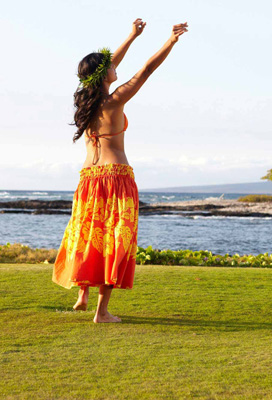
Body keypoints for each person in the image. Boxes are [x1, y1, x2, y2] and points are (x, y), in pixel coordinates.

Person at [53, 19, 188, 323]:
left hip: (88, 178)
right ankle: (102, 312)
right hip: (115, 177)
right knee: (114, 241)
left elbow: (109, 65)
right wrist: (170, 41)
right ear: (104, 75)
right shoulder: (113, 102)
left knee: (88, 234)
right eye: (112, 68)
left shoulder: (85, 104)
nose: (118, 69)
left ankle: (82, 294)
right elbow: (146, 71)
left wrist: (132, 36)